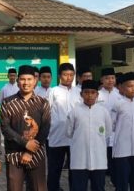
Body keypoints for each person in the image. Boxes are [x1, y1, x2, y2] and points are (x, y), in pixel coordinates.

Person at [0, 65, 50, 191]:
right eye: (22, 79)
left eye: (29, 79)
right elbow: (5, 128)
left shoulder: (43, 103)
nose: (26, 83)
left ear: (35, 81)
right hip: (14, 155)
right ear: (17, 81)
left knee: (38, 188)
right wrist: (25, 143)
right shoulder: (7, 103)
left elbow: (45, 129)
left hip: (36, 154)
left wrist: (30, 151)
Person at [66, 80, 109, 191]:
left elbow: (107, 132)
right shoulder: (74, 112)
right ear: (81, 94)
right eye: (86, 92)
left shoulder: (104, 112)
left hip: (99, 159)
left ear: (97, 94)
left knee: (98, 187)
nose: (90, 95)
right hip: (79, 159)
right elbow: (69, 133)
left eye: (93, 92)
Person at [46, 62, 79, 191]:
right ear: (59, 76)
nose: (68, 77)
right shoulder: (53, 91)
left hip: (75, 137)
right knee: (54, 169)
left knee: (74, 169)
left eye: (71, 74)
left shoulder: (79, 92)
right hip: (56, 136)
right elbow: (46, 112)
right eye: (65, 74)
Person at [111, 73, 134, 191]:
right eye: (129, 86)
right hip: (122, 150)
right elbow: (112, 125)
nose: (133, 89)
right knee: (122, 182)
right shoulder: (118, 105)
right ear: (122, 88)